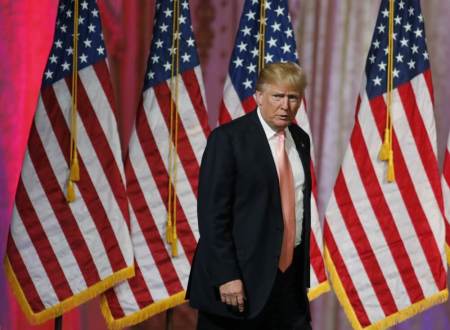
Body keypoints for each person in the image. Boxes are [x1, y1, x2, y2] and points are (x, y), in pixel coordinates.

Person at [186, 62, 312, 330]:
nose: (285, 106)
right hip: (238, 284)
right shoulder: (228, 140)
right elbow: (212, 218)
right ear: (258, 96)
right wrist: (226, 276)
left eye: (293, 98)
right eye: (278, 96)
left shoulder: (300, 139)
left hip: (288, 284)